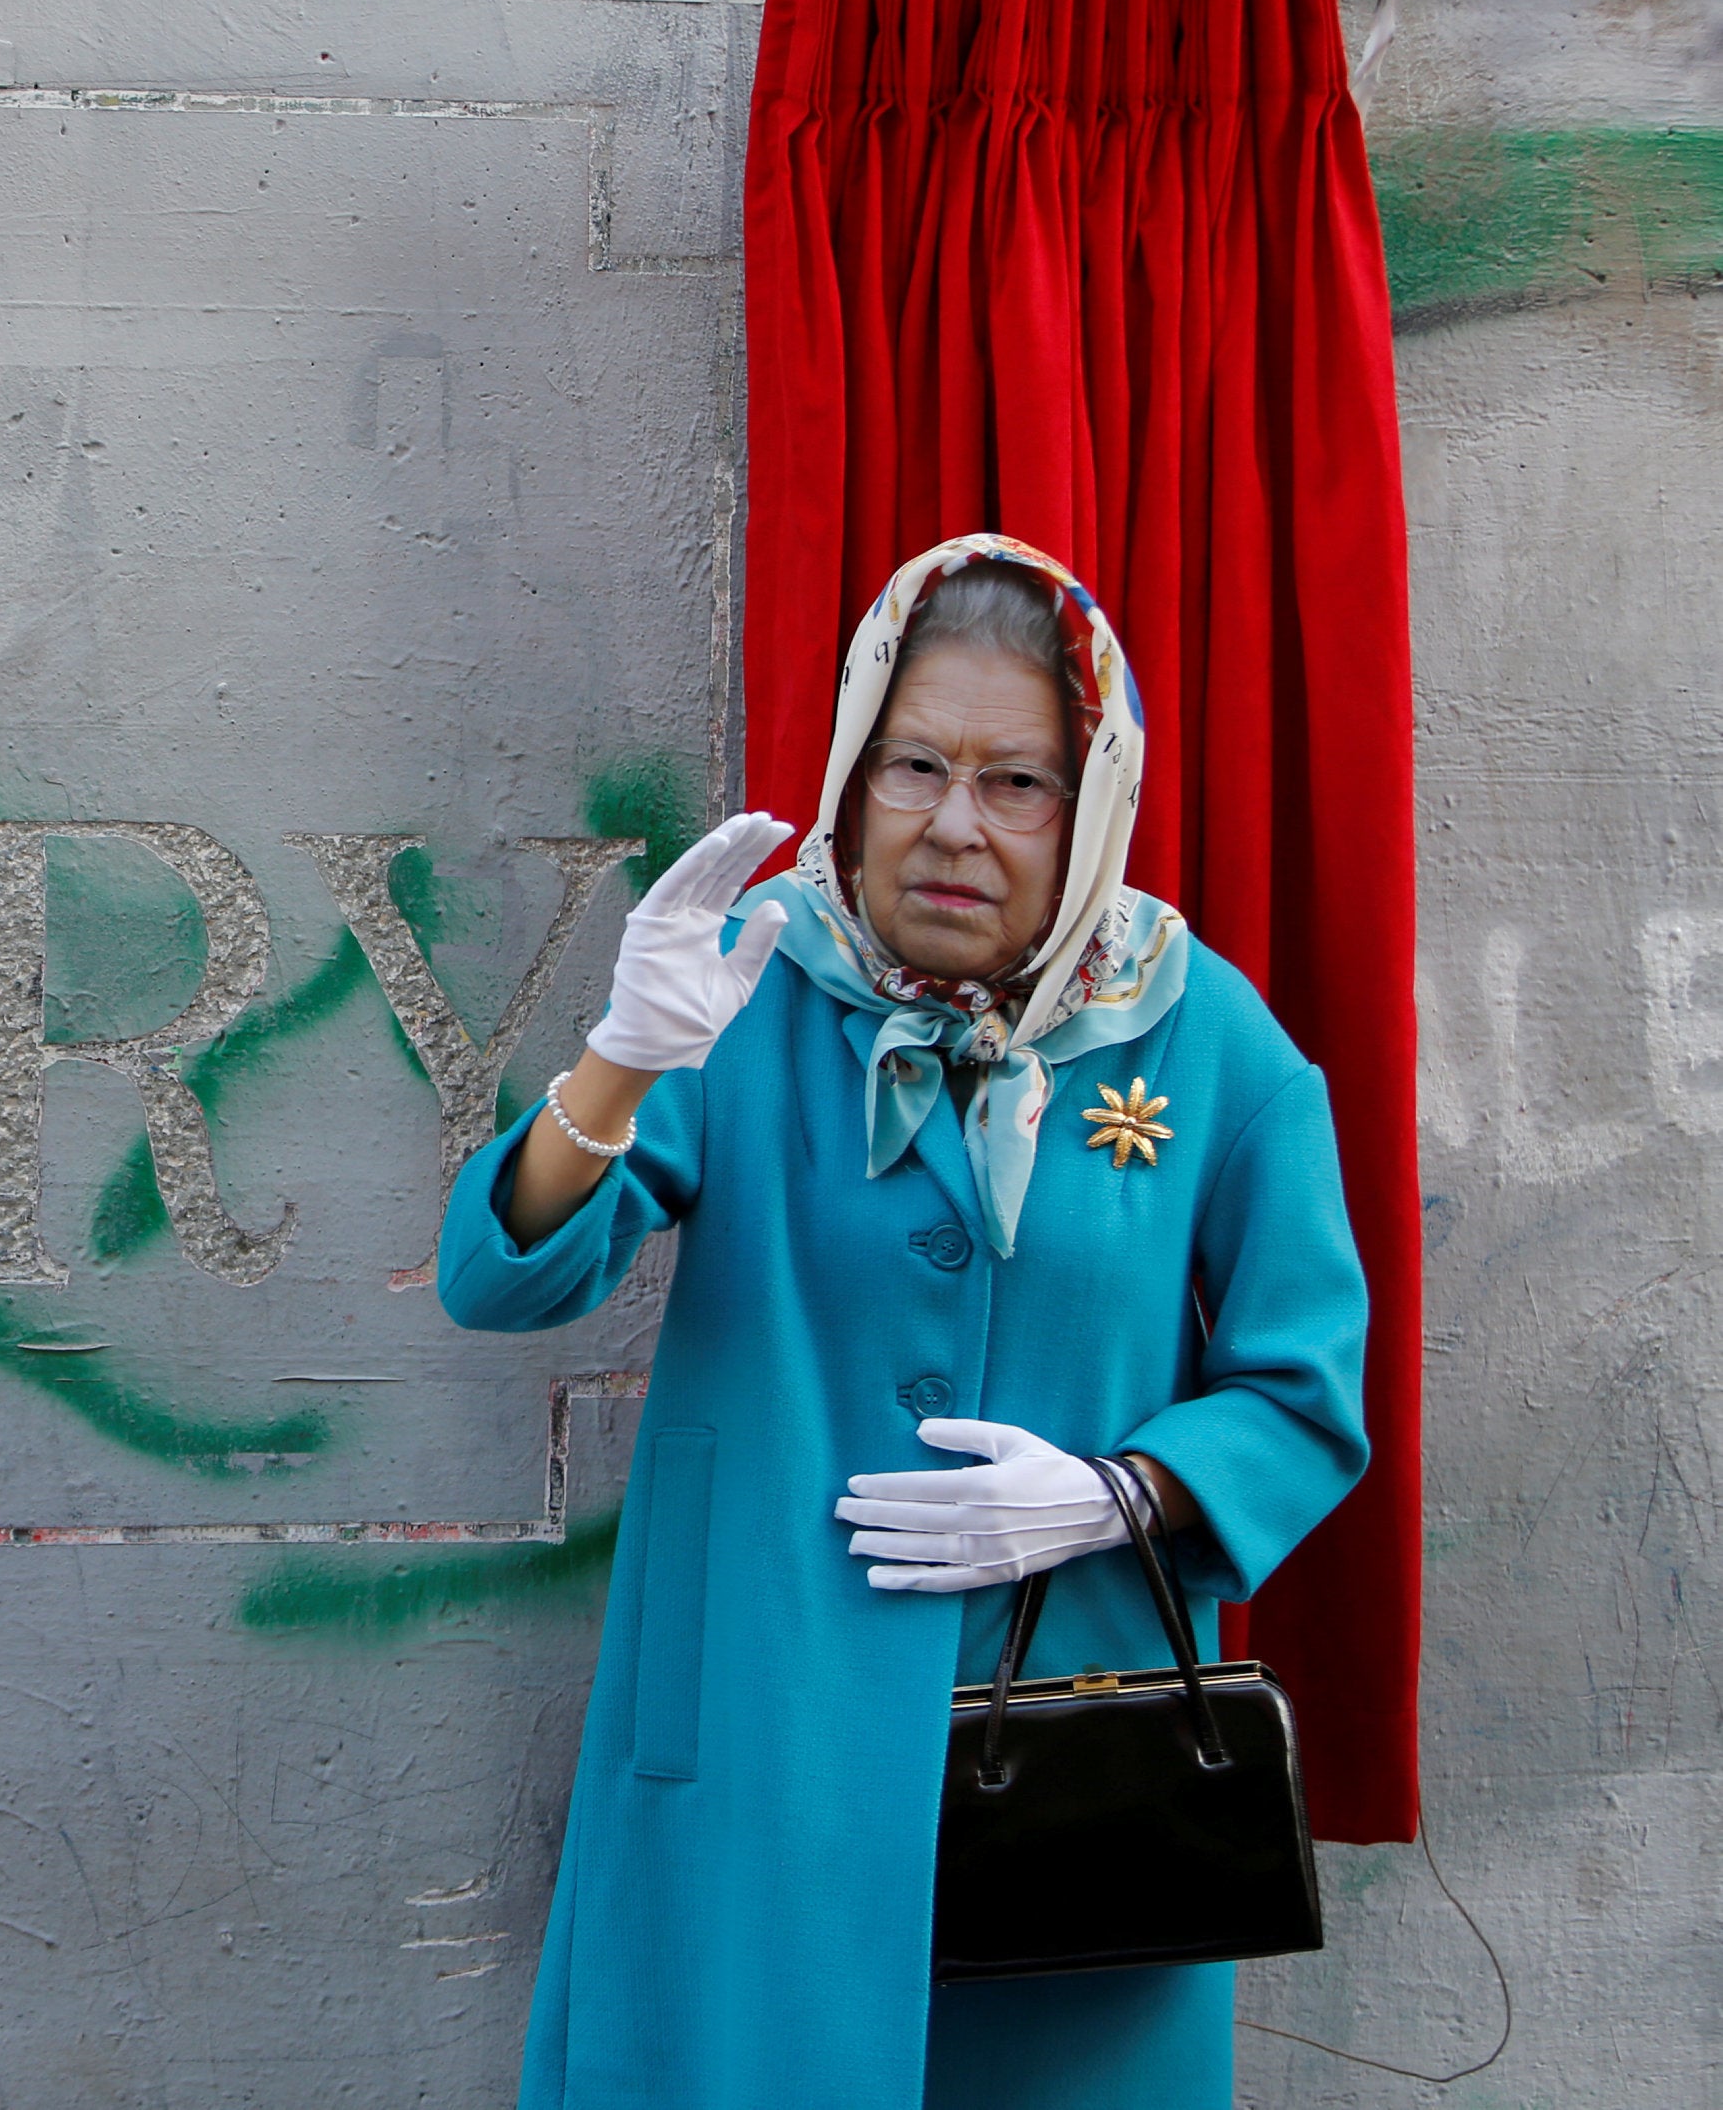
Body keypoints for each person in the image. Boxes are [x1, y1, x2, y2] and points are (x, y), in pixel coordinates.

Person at [436, 535, 1369, 2110]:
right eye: (914, 764)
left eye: (1016, 783)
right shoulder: (749, 993)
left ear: (1090, 805)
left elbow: (1304, 1391)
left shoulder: (1205, 1030)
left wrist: (1119, 1490)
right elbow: (504, 1277)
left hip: (1078, 1780)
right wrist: (622, 1056)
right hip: (758, 1752)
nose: (954, 823)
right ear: (854, 772)